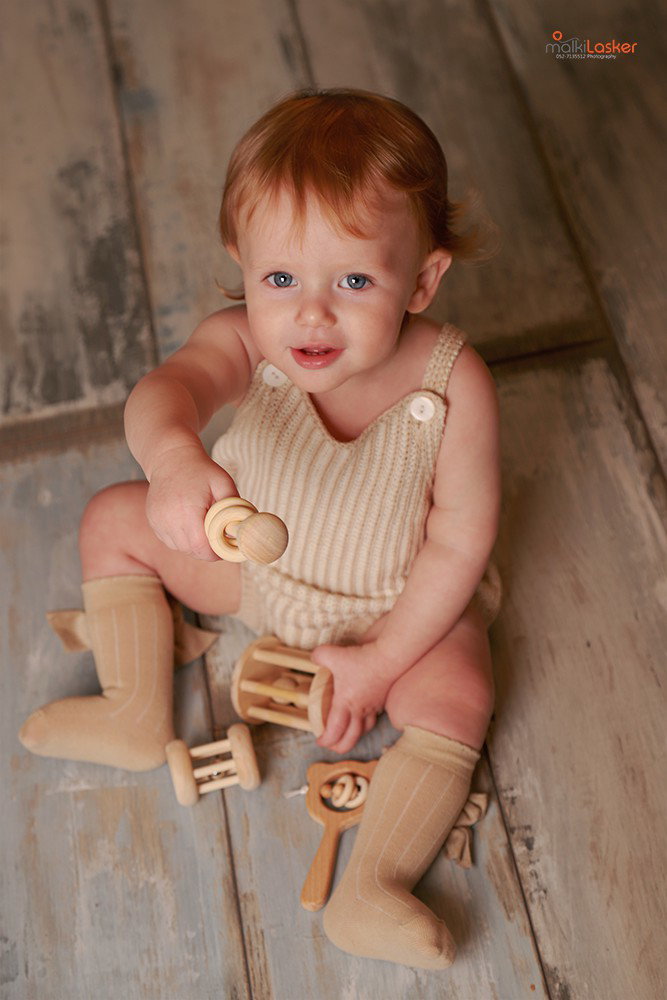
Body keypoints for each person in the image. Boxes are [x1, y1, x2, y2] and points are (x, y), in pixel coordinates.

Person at [20, 89, 502, 969]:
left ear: (423, 279)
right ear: (243, 265)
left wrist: (385, 659)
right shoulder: (248, 340)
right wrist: (172, 462)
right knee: (113, 519)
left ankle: (372, 886)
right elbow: (167, 391)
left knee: (460, 690)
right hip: (257, 583)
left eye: (354, 281)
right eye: (281, 279)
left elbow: (460, 542)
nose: (310, 315)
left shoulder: (452, 381)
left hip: (394, 602)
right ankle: (134, 711)